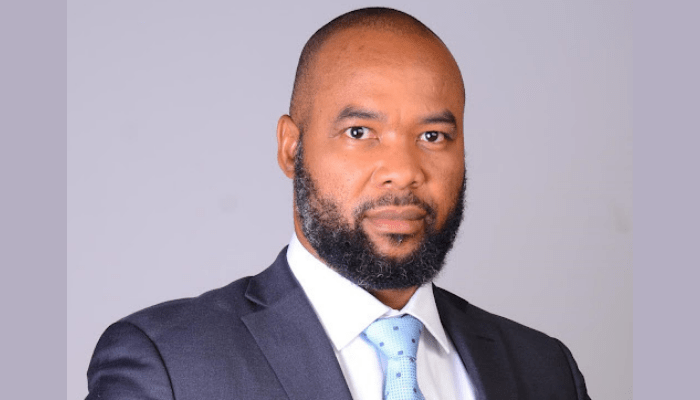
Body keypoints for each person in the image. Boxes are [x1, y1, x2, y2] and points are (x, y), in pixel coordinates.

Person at [86, 7, 590, 400]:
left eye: (433, 136)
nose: (404, 170)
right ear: (291, 148)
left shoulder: (545, 370)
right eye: (359, 132)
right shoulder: (169, 364)